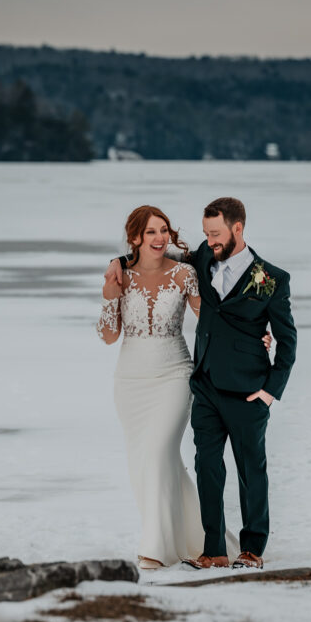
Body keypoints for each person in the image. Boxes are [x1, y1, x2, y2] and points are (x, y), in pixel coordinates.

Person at [105, 196, 297, 570]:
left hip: (248, 389)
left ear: (237, 229)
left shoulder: (271, 279)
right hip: (205, 384)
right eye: (207, 234)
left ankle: (252, 549)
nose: (209, 241)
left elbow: (288, 341)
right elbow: (156, 259)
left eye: (215, 233)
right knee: (207, 466)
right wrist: (119, 261)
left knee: (249, 470)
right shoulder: (204, 260)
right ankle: (214, 551)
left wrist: (270, 390)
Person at [97, 205, 239, 570]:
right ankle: (202, 538)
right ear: (135, 239)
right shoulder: (120, 276)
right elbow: (109, 337)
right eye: (151, 233)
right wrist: (110, 297)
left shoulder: (185, 274)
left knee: (159, 453)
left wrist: (254, 339)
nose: (160, 238)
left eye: (164, 230)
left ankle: (154, 549)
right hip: (129, 382)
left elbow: (211, 319)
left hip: (173, 376)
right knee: (147, 464)